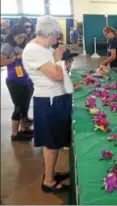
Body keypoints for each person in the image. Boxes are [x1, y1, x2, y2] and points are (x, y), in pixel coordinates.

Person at [23, 15, 71, 193]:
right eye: (55, 36)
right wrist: (58, 57)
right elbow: (58, 75)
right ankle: (48, 182)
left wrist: (56, 57)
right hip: (48, 100)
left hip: (56, 98)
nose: (56, 40)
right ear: (49, 32)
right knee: (51, 142)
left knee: (56, 141)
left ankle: (50, 173)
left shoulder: (45, 48)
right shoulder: (34, 50)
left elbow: (61, 71)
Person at [0, 25, 34, 141]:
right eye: (20, 38)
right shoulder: (7, 46)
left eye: (24, 38)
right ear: (13, 35)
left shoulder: (21, 45)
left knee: (25, 106)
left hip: (25, 80)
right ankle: (14, 134)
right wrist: (15, 58)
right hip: (14, 82)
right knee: (18, 107)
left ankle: (23, 129)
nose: (22, 40)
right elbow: (1, 61)